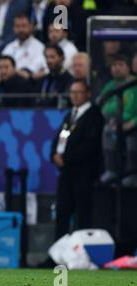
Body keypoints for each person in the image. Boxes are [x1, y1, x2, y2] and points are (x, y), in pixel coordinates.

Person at [50, 80, 104, 241]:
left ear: (87, 94)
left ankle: (81, 250)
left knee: (82, 212)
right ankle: (58, 252)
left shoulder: (94, 115)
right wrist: (54, 154)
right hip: (66, 172)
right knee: (62, 211)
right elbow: (60, 138)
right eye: (72, 92)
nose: (74, 96)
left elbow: (90, 144)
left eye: (78, 92)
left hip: (83, 172)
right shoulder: (70, 115)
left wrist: (66, 158)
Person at [100, 55, 137, 187]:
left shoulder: (134, 85)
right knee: (107, 131)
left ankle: (132, 173)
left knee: (131, 136)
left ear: (128, 67)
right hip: (114, 123)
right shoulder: (110, 86)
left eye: (120, 65)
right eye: (114, 65)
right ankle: (111, 170)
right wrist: (113, 120)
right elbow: (103, 105)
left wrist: (132, 122)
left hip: (132, 124)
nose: (117, 68)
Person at [1, 14, 48, 81]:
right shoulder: (9, 47)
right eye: (17, 26)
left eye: (24, 26)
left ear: (31, 27)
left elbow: (32, 73)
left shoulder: (39, 47)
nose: (21, 29)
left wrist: (14, 72)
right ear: (13, 28)